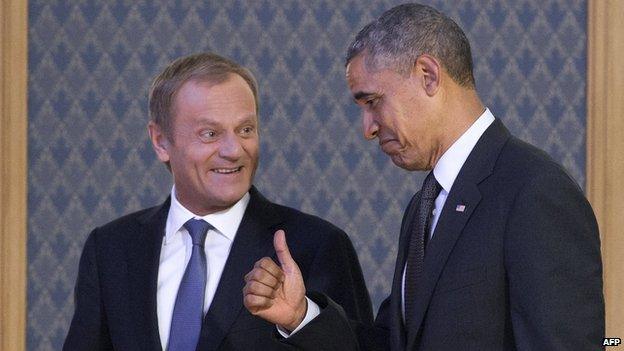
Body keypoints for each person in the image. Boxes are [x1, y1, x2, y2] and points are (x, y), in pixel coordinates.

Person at [243, 3, 604, 350]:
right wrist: (301, 315)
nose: (367, 128)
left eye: (372, 102)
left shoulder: (533, 191)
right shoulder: (425, 205)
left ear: (427, 75)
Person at [63, 52, 373, 351]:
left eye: (245, 130)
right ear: (160, 142)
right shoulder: (111, 248)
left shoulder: (316, 246)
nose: (234, 150)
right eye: (210, 134)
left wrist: (300, 319)